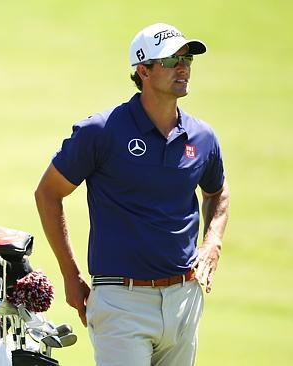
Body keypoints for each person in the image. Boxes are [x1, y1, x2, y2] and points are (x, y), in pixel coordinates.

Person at [34, 23, 230, 366]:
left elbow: (218, 192)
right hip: (121, 301)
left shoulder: (203, 137)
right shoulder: (101, 131)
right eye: (171, 61)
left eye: (187, 59)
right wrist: (70, 274)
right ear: (143, 70)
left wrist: (212, 242)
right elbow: (48, 193)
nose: (183, 67)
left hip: (184, 298)